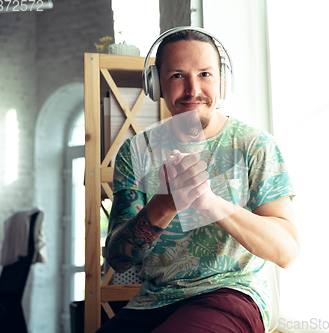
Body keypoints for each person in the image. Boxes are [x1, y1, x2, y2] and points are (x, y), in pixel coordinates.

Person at [98, 27, 299, 333]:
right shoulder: (136, 151)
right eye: (178, 75)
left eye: (205, 74)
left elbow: (286, 251)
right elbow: (118, 258)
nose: (193, 89)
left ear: (222, 80)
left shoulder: (255, 146)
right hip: (154, 302)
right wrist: (166, 204)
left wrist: (209, 202)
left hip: (232, 293)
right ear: (156, 85)